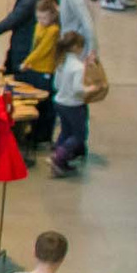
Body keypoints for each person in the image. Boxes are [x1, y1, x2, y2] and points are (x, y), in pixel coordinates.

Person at [48, 30, 93, 176]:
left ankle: (61, 160)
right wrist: (90, 88)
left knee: (66, 132)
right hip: (74, 105)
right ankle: (59, 156)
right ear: (75, 47)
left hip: (60, 102)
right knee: (78, 135)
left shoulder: (61, 61)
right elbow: (78, 89)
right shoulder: (78, 67)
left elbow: (56, 84)